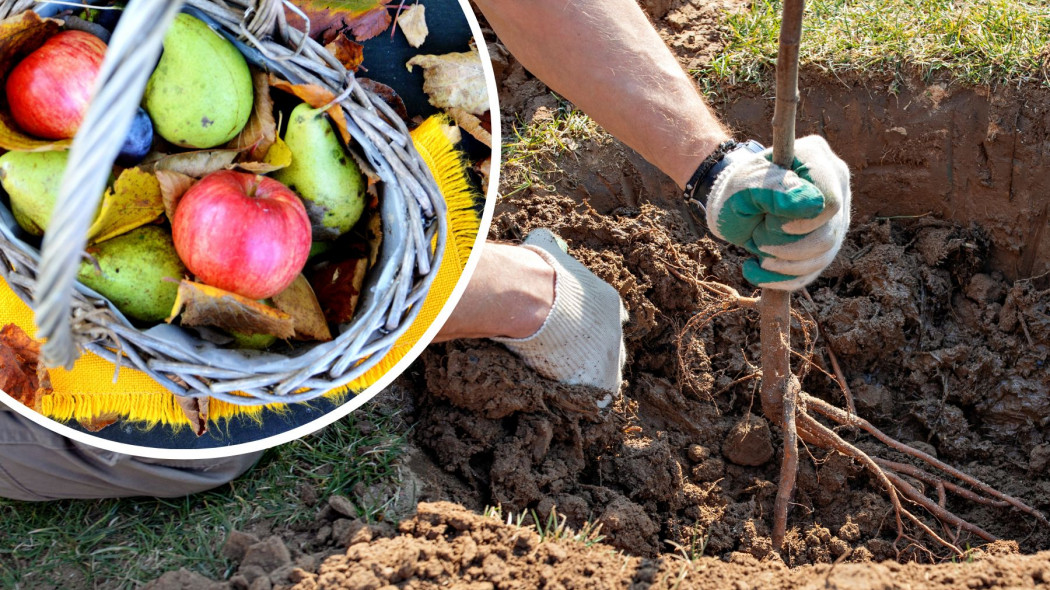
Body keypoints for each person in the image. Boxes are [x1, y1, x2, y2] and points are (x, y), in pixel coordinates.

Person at [0, 0, 849, 501]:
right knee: (160, 436)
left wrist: (717, 168)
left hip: (285, 103)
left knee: (183, 433)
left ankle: (477, 283)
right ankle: (489, 287)